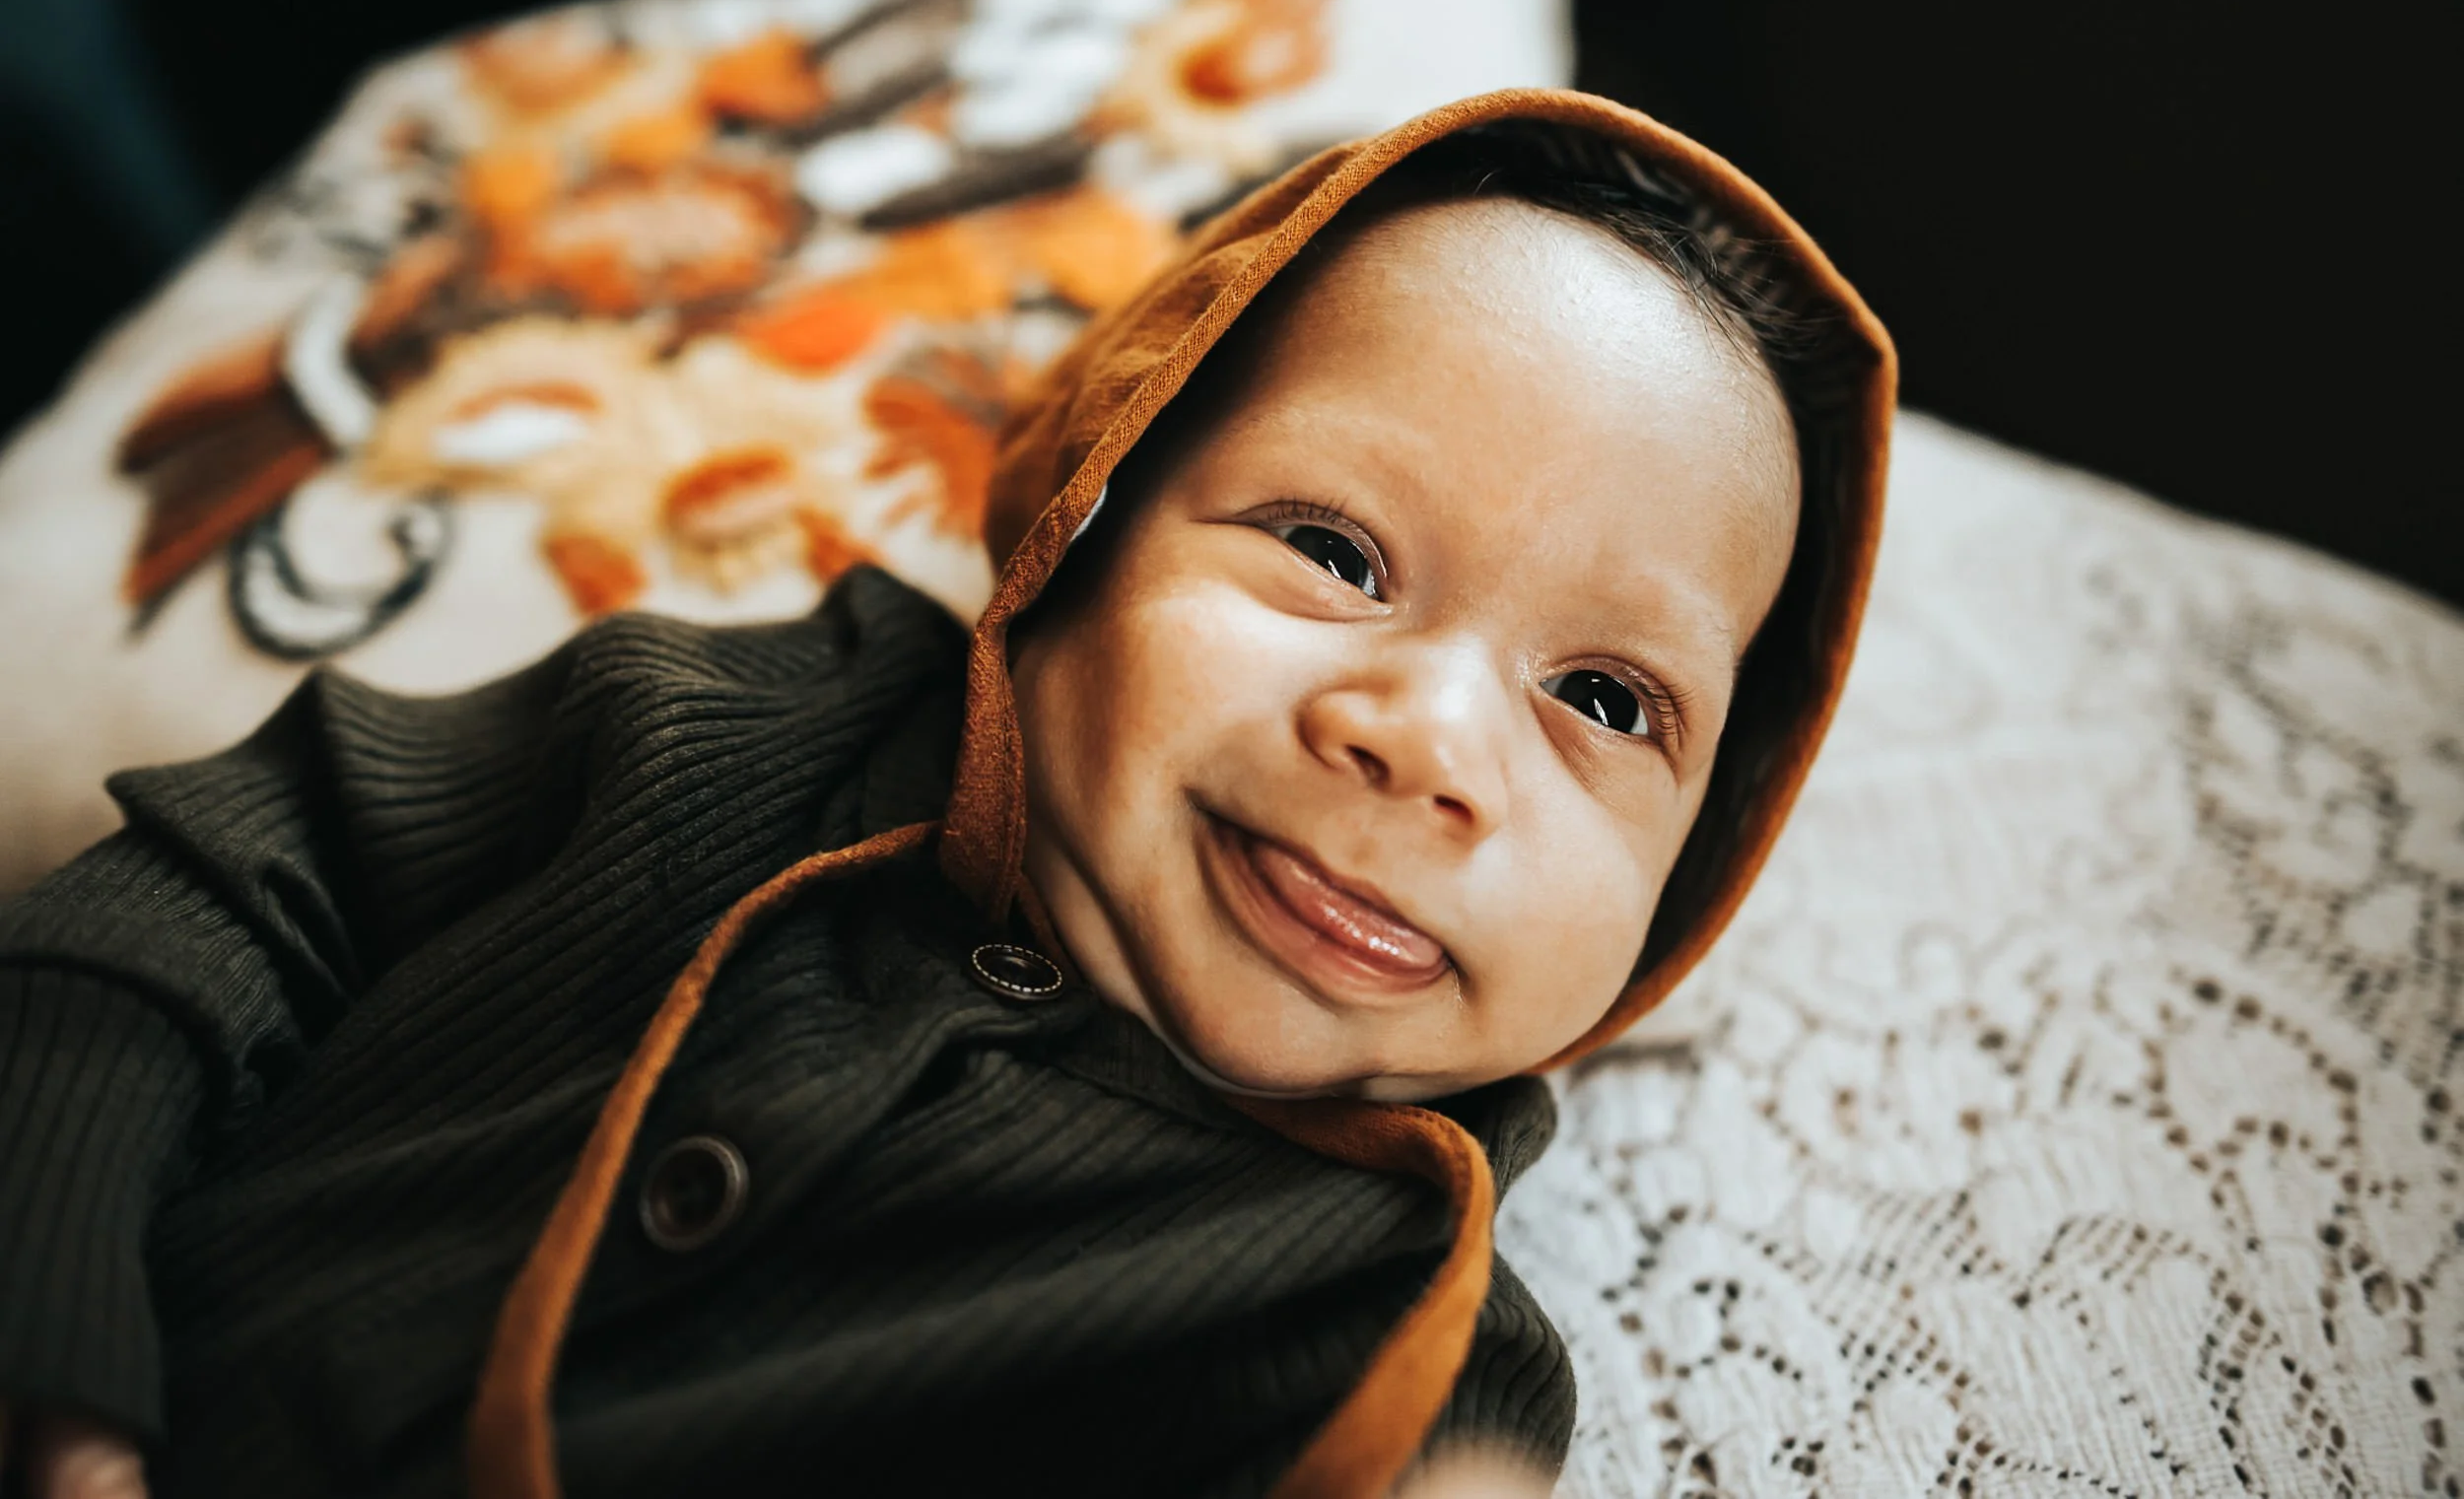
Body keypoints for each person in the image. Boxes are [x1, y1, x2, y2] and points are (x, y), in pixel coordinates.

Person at [0, 89, 1893, 1499]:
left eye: (1603, 697)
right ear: (1082, 521)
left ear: (1697, 864)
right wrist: (63, 1397)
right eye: (1333, 549)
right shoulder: (721, 732)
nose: (1424, 739)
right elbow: (173, 914)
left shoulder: (1398, 1354)